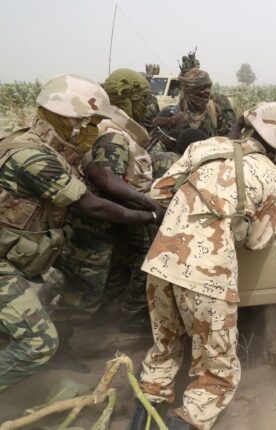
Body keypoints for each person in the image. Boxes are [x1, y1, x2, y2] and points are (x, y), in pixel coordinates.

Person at [129, 102, 276, 430]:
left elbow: (158, 192)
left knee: (164, 351)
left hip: (161, 264)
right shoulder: (270, 176)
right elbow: (257, 241)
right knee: (216, 375)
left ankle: (141, 420)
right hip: (208, 278)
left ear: (249, 126)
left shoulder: (204, 146)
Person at [0, 75, 162, 392]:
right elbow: (93, 205)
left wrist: (149, 206)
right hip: (5, 262)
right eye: (89, 123)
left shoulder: (49, 147)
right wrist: (154, 215)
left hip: (18, 255)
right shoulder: (34, 158)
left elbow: (96, 175)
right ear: (70, 120)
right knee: (38, 343)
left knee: (62, 296)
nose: (92, 131)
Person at [177, 68, 234, 137]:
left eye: (209, 87)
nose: (208, 91)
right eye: (203, 88)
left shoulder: (214, 109)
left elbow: (226, 136)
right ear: (191, 90)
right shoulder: (176, 115)